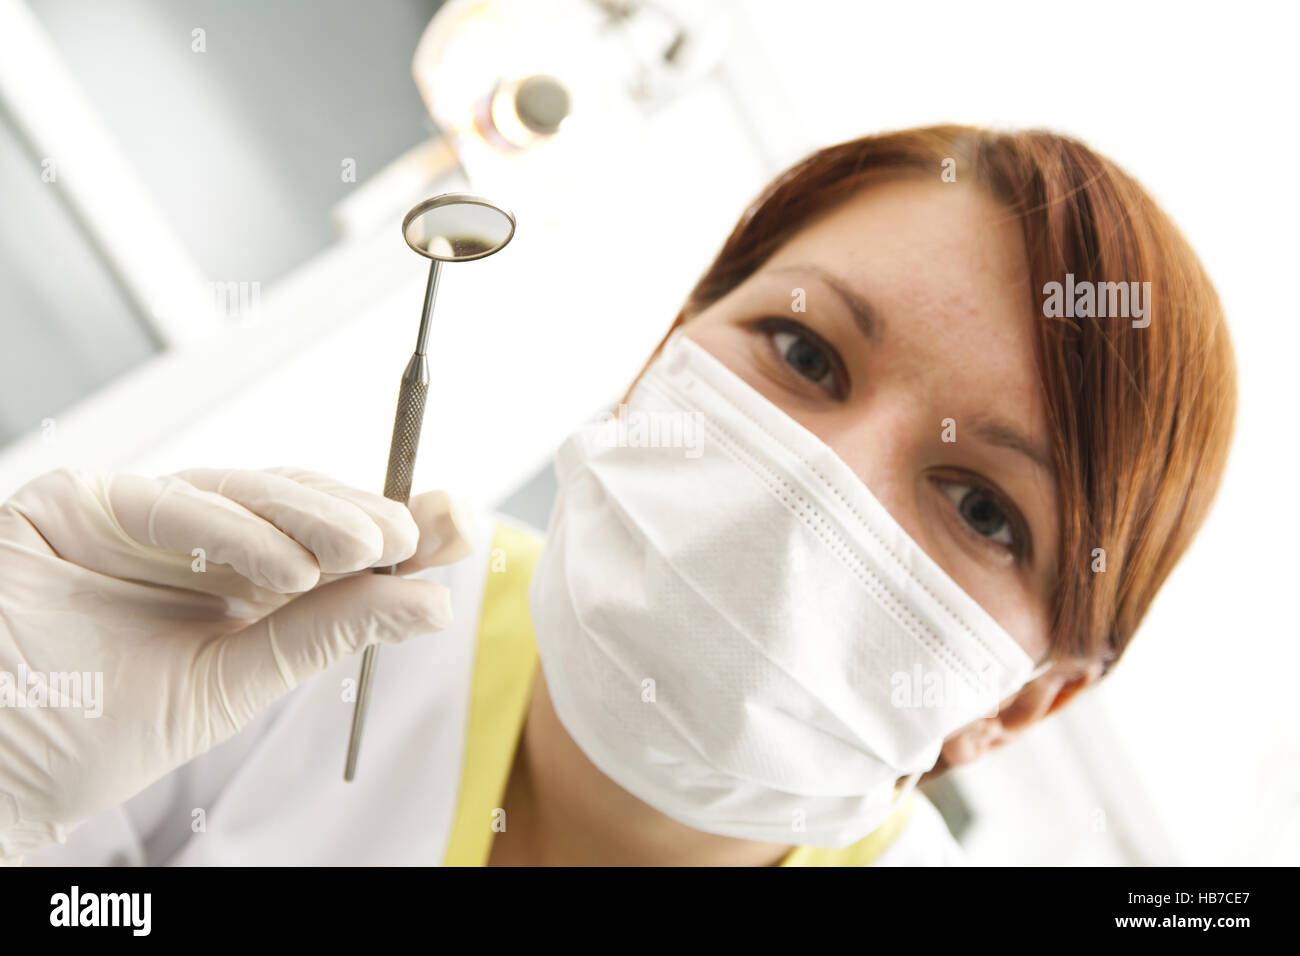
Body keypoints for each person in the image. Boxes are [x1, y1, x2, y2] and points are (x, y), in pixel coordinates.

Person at [1, 125, 1236, 866]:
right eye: (804, 354)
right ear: (661, 360)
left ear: (1023, 704)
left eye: (981, 507)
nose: (819, 489)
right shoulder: (281, 652)